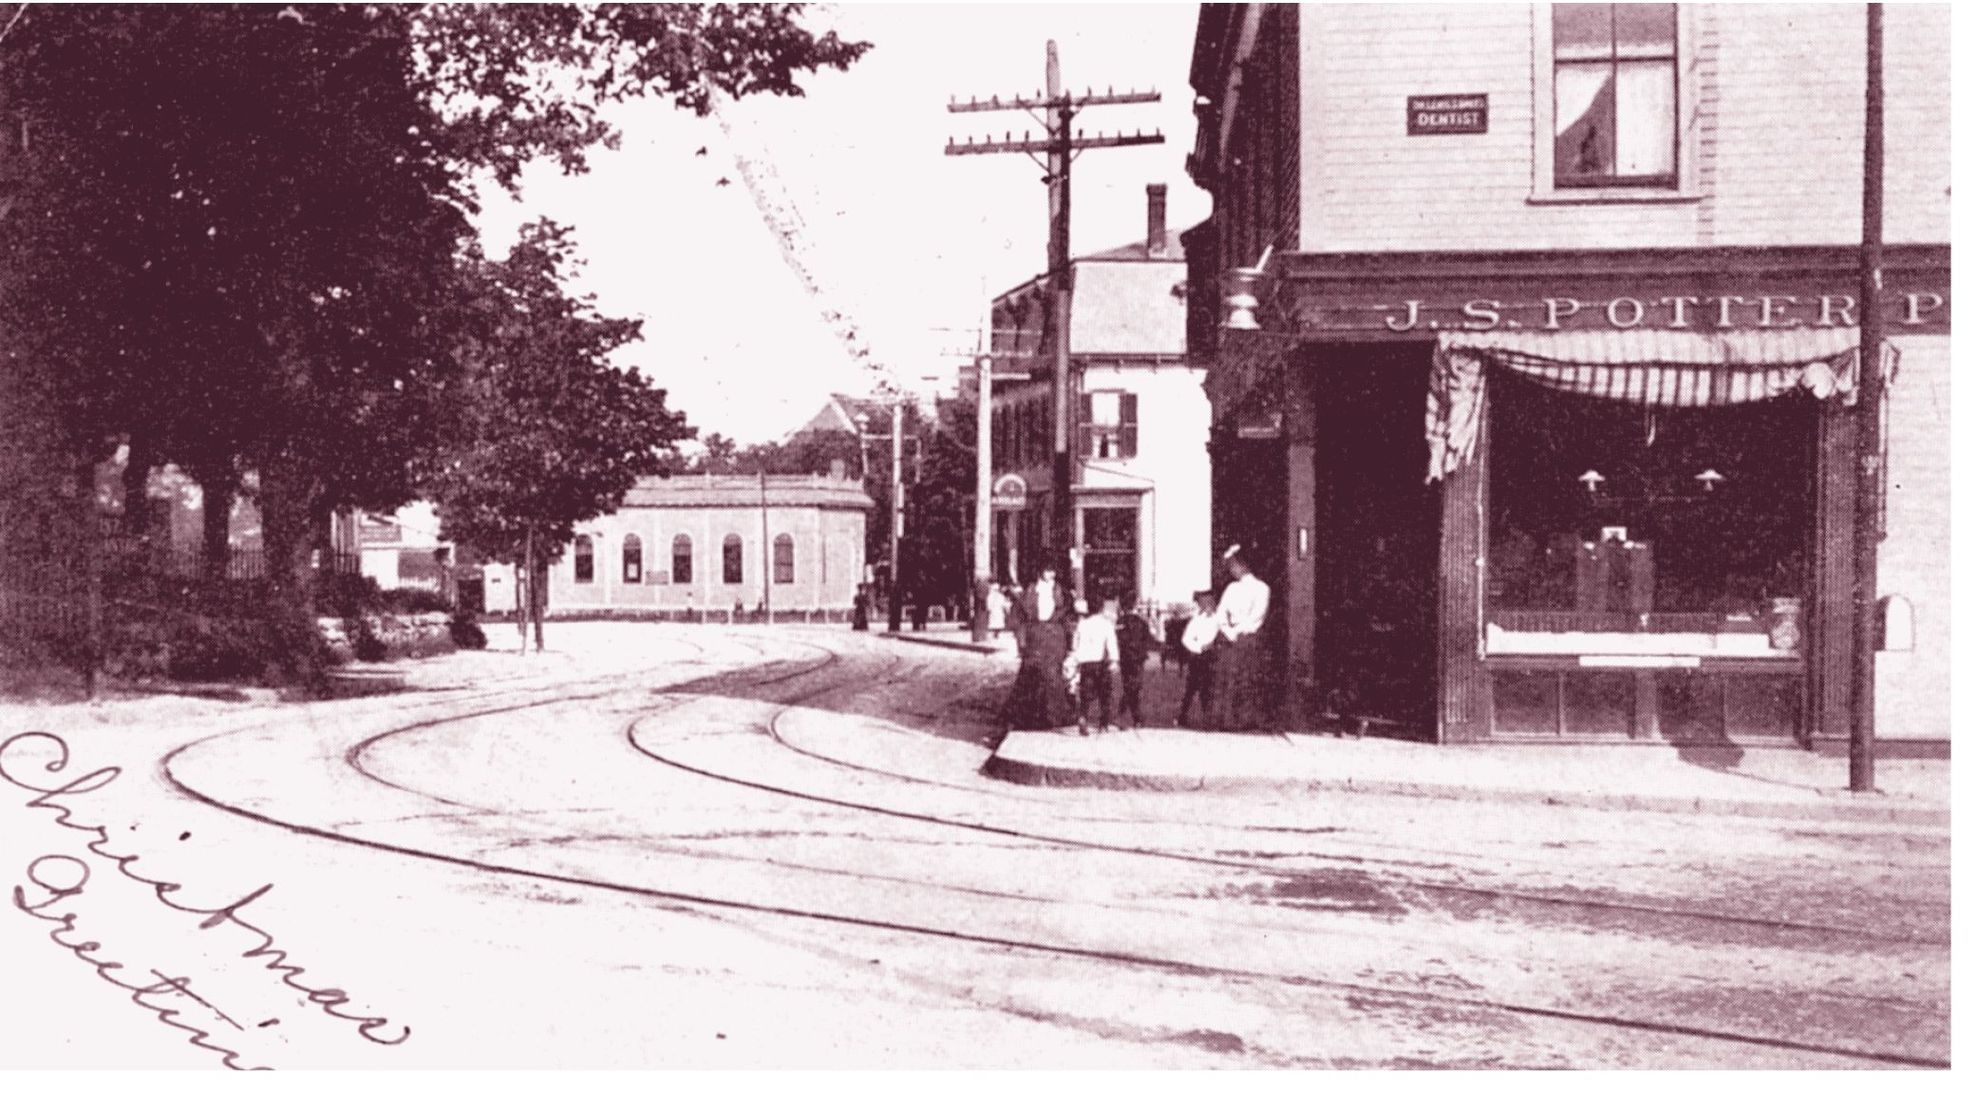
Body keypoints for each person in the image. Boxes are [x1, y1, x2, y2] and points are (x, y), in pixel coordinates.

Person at [1000, 564, 1075, 730]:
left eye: (1053, 570)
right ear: (1040, 571)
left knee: (1053, 676)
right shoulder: (1030, 591)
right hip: (1035, 636)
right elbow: (1018, 617)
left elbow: (1068, 618)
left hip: (1055, 637)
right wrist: (1021, 639)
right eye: (1048, 570)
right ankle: (1026, 717)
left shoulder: (1062, 592)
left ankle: (1055, 716)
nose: (1051, 574)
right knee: (1030, 675)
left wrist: (1070, 643)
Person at [1212, 546, 1272, 731]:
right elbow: (1220, 612)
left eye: (1234, 565)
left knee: (1246, 680)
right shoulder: (1231, 588)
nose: (1231, 569)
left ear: (1243, 565)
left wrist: (1234, 630)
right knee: (1229, 680)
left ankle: (1245, 719)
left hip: (1248, 639)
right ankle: (1227, 720)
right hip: (1233, 637)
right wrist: (1227, 629)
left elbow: (1257, 616)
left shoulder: (1261, 588)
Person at [1071, 597, 1120, 734]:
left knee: (1086, 692)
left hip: (1086, 663)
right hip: (1101, 662)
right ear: (1101, 609)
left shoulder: (1082, 624)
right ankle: (1103, 723)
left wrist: (1076, 658)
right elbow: (1111, 643)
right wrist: (1114, 660)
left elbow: (1075, 644)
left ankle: (1083, 717)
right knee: (1105, 693)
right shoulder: (1106, 624)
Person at [1176, 589, 1220, 727]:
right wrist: (1198, 647)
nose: (1206, 605)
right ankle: (1183, 715)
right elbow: (1186, 638)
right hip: (1198, 656)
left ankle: (1209, 718)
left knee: (1209, 688)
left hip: (1213, 656)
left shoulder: (1219, 619)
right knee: (1191, 687)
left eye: (1209, 602)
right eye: (1203, 603)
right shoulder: (1196, 619)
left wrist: (1212, 645)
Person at [1114, 594, 1154, 728]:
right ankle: (1127, 715)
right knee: (1134, 687)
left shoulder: (1120, 621)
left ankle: (1134, 717)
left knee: (1129, 686)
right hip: (1137, 658)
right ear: (1135, 605)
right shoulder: (1141, 622)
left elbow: (1118, 639)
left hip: (1125, 658)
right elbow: (1148, 640)